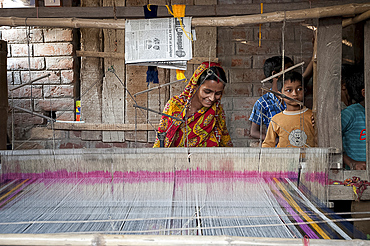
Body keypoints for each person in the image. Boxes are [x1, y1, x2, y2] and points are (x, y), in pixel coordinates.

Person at [153, 62, 233, 148]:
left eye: (218, 93)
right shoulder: (175, 106)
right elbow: (162, 141)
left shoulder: (217, 111)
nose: (212, 98)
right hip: (177, 159)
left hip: (206, 160)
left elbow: (225, 143)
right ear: (195, 86)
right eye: (207, 92)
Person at [262, 71, 316, 148]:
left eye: (299, 89)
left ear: (305, 91)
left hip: (310, 159)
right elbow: (268, 144)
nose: (294, 94)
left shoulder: (312, 116)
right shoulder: (276, 119)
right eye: (289, 90)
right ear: (280, 95)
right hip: (284, 159)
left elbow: (320, 140)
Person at [249, 56, 294, 141]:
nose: (292, 75)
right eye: (288, 71)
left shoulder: (294, 96)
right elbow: (254, 131)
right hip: (276, 149)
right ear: (275, 75)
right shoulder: (263, 102)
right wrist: (273, 140)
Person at [341, 70, 366, 170]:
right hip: (355, 176)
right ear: (364, 93)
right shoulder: (351, 113)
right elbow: (330, 140)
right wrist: (352, 163)